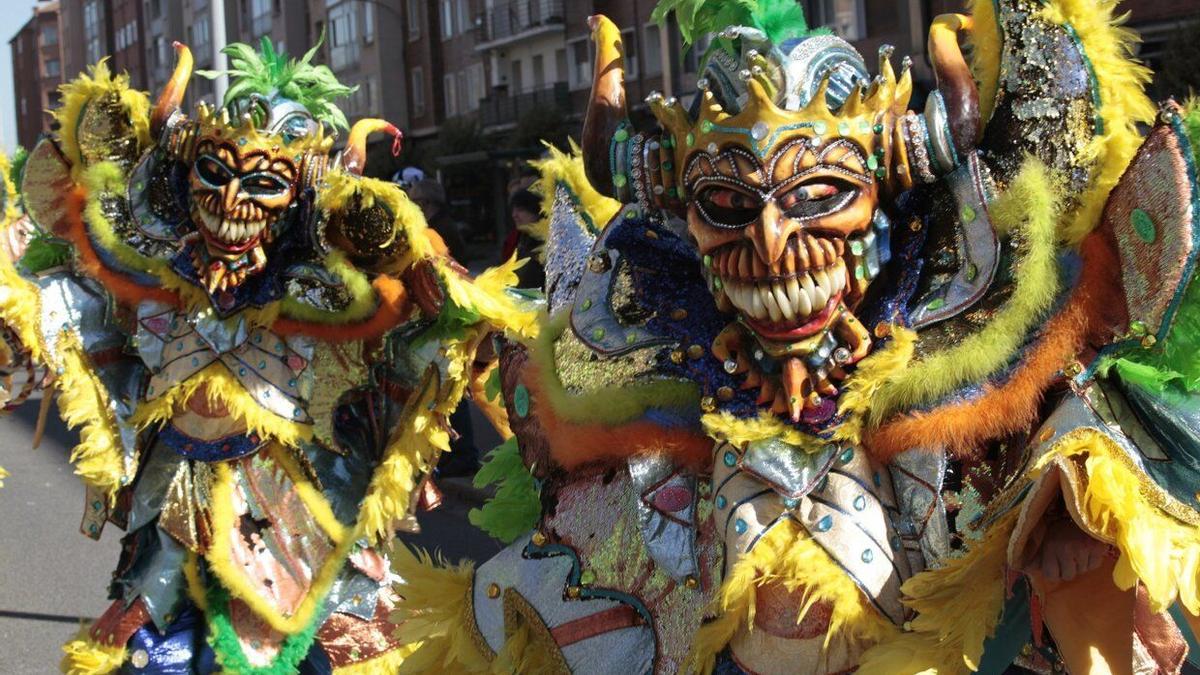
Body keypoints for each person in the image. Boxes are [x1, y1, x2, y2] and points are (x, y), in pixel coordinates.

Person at [390, 0, 1200, 673]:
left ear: (879, 209)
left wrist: (1064, 512)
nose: (774, 240)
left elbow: (1062, 437)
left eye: (820, 194)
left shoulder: (940, 395)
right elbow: (587, 569)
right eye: (730, 206)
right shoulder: (670, 401)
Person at [0, 38, 535, 672]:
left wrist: (463, 320)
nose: (232, 206)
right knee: (146, 649)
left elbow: (422, 339)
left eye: (261, 184)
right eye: (215, 176)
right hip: (175, 502)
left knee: (312, 650)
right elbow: (67, 306)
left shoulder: (328, 293)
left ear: (299, 199)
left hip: (297, 513)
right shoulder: (157, 277)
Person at [408, 178, 469, 263]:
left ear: (424, 202)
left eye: (413, 201)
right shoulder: (443, 223)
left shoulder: (439, 229)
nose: (409, 206)